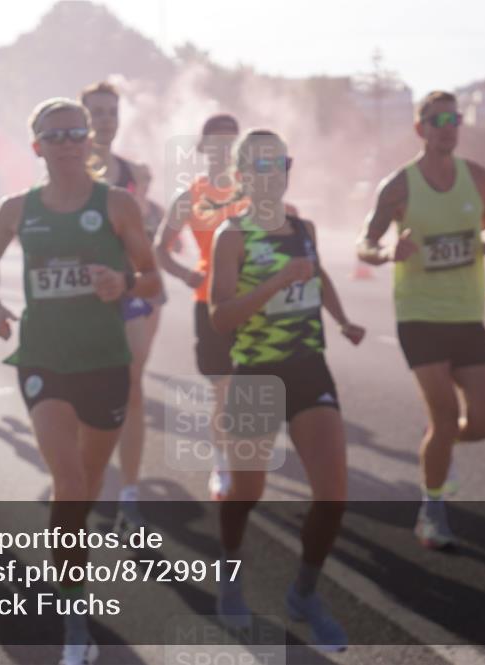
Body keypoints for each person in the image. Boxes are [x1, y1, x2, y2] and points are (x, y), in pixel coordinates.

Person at [0, 98, 160, 665]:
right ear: (38, 147)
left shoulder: (117, 203)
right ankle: (75, 621)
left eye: (75, 132)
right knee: (70, 482)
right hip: (44, 359)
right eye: (54, 136)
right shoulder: (16, 208)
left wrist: (122, 282)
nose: (67, 142)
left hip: (104, 360)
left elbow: (152, 278)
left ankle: (72, 564)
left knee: (86, 483)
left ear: (87, 141)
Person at [209, 129, 365, 652]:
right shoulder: (232, 235)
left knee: (333, 496)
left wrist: (342, 320)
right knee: (246, 492)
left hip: (309, 371)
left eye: (281, 163)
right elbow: (220, 316)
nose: (273, 173)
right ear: (242, 176)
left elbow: (318, 276)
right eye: (261, 165)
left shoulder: (304, 228)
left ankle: (303, 593)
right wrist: (276, 282)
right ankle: (231, 579)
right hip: (256, 374)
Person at [357, 91, 485, 549]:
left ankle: (437, 448)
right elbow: (365, 244)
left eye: (454, 119)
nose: (448, 127)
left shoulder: (477, 177)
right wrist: (388, 252)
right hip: (419, 315)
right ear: (420, 129)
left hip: (467, 314)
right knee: (443, 416)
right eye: (438, 120)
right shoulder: (399, 186)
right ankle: (431, 511)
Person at [80, 82, 165, 530]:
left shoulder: (131, 173)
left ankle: (129, 493)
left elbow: (145, 235)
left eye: (111, 111)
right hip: (81, 297)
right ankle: (86, 475)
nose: (105, 119)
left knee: (131, 385)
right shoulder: (67, 168)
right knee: (85, 390)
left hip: (130, 290)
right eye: (96, 111)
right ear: (82, 117)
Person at [155, 114, 251, 501]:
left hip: (254, 299)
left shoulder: (253, 188)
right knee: (223, 389)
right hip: (211, 302)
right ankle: (222, 464)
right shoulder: (190, 196)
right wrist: (185, 274)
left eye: (231, 141)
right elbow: (160, 248)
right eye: (217, 141)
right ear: (204, 147)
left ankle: (247, 457)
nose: (224, 149)